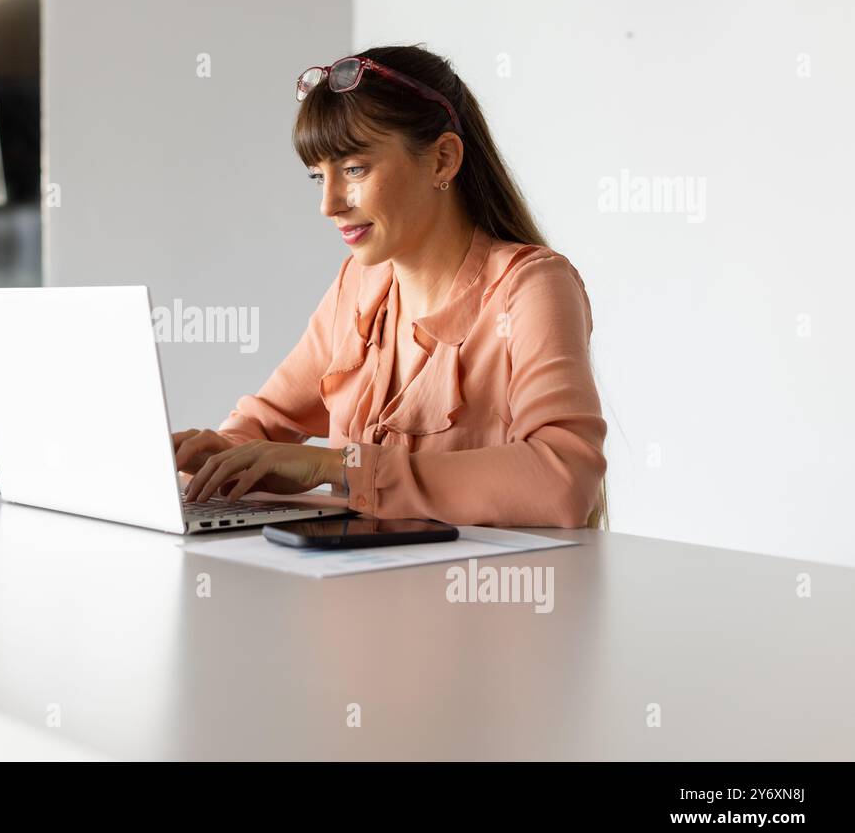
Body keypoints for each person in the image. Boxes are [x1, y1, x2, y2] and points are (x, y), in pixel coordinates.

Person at [173, 45, 608, 529]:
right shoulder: (359, 287)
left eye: (355, 169)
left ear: (443, 160)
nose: (329, 204)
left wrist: (334, 466)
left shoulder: (531, 288)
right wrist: (217, 453)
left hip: (483, 598)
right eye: (319, 176)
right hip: (356, 593)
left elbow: (564, 480)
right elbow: (266, 422)